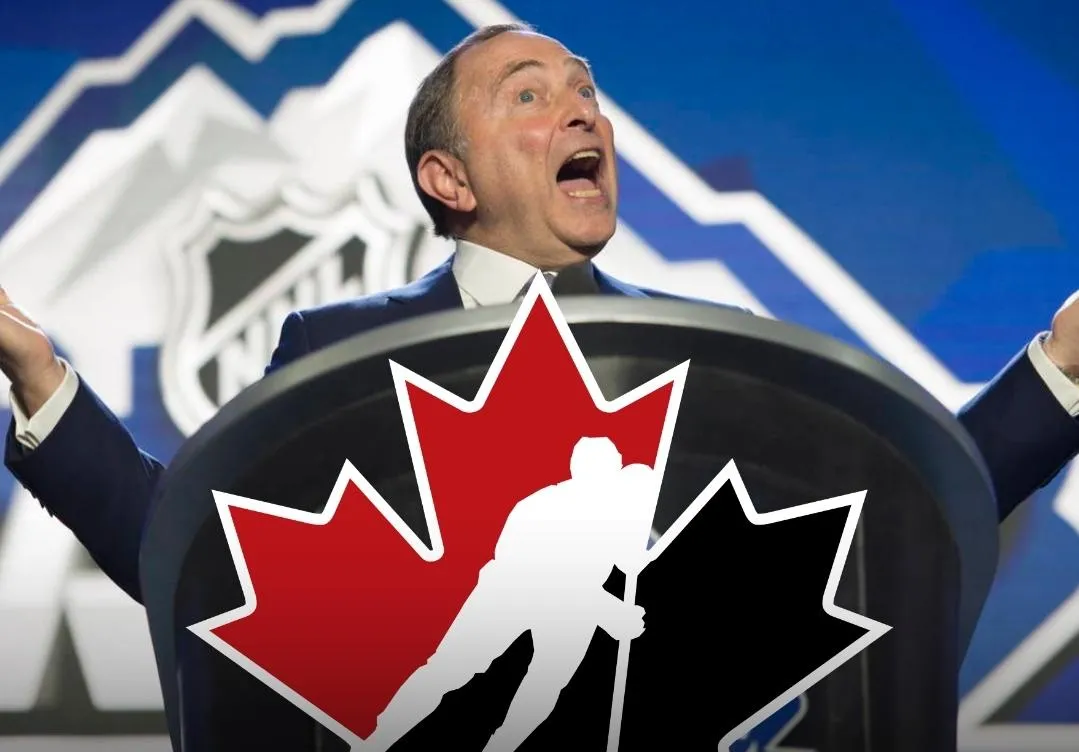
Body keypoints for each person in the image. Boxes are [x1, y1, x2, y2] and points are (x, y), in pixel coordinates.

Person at [0, 23, 1077, 611]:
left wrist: (1062, 366)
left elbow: (887, 523)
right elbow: (189, 556)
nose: (579, 112)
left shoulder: (706, 351)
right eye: (528, 94)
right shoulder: (336, 354)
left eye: (584, 92)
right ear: (448, 178)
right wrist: (41, 374)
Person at [364, 436, 656, 752]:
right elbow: (543, 572)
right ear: (579, 469)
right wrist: (608, 609)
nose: (608, 476)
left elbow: (630, 562)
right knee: (446, 670)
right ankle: (379, 740)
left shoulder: (614, 517)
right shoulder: (541, 507)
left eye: (613, 467)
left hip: (571, 611)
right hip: (509, 595)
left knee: (545, 684)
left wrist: (639, 519)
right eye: (600, 468)